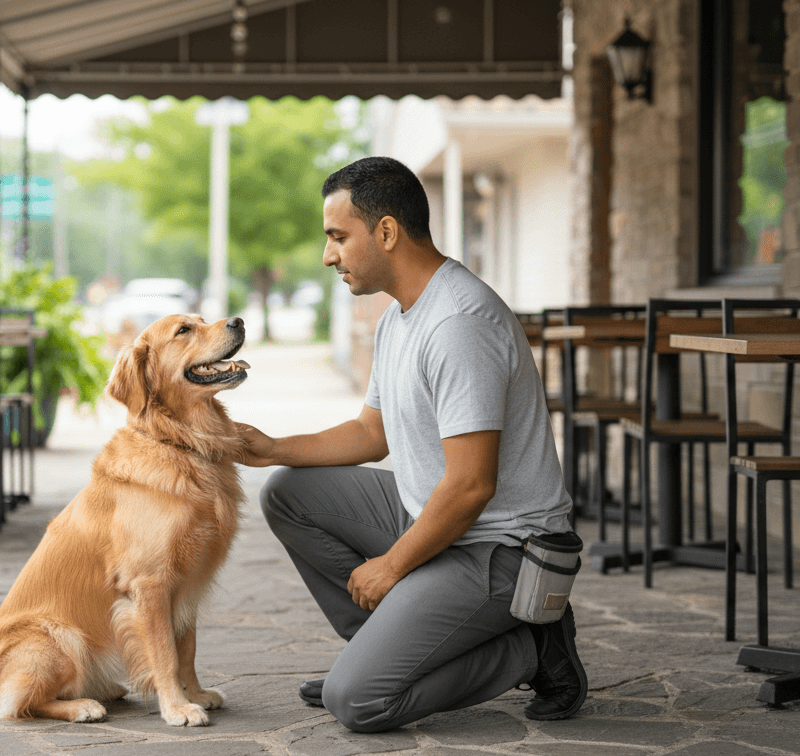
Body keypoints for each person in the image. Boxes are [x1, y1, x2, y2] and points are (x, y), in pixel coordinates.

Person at [236, 156, 586, 733]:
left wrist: (393, 565)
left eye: (338, 237)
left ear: (388, 231)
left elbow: (474, 484)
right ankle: (382, 652)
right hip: (438, 517)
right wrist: (271, 447)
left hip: (505, 549)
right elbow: (370, 435)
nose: (329, 256)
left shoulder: (458, 324)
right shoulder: (400, 316)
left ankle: (533, 649)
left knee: (357, 702)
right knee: (288, 492)